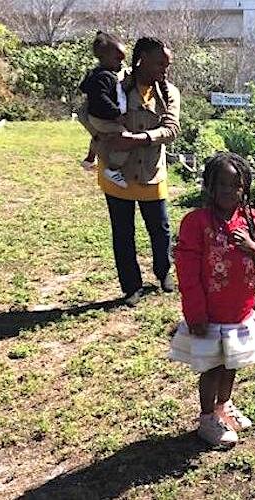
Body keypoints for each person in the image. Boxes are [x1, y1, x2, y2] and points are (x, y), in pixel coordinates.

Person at [169, 152, 255, 447]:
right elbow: (187, 273)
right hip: (211, 314)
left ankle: (223, 406)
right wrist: (195, 313)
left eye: (236, 185)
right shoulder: (196, 222)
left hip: (239, 312)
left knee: (231, 362)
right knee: (212, 367)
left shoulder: (254, 220)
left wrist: (252, 246)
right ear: (210, 187)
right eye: (223, 185)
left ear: (246, 188)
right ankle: (207, 418)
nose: (230, 192)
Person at [95, 37, 180, 306]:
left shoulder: (170, 93)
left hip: (152, 173)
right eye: (158, 63)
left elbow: (171, 130)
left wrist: (139, 138)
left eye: (166, 65)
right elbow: (92, 111)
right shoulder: (116, 85)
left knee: (161, 229)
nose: (163, 70)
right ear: (141, 58)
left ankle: (163, 273)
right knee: (123, 233)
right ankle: (131, 287)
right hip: (118, 172)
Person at [78, 31, 130, 188]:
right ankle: (113, 168)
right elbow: (102, 98)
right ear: (103, 57)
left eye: (123, 59)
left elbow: (84, 87)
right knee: (125, 138)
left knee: (99, 136)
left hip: (95, 116)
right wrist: (116, 114)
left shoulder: (97, 73)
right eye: (117, 59)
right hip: (102, 117)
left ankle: (89, 159)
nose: (121, 63)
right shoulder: (105, 77)